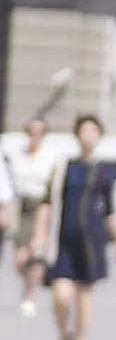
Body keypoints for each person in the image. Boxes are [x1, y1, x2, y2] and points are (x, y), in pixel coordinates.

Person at [30, 114, 116, 340]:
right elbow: (47, 203)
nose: (88, 137)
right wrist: (40, 234)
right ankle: (65, 336)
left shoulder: (104, 171)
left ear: (99, 137)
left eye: (93, 132)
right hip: (63, 240)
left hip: (91, 242)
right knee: (61, 296)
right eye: (84, 131)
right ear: (77, 135)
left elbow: (110, 210)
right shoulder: (65, 168)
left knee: (84, 295)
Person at [4, 117, 57, 316]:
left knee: (34, 253)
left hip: (41, 205)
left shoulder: (50, 157)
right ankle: (29, 282)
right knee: (20, 257)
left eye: (39, 133)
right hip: (21, 205)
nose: (35, 137)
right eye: (31, 133)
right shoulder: (17, 156)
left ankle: (29, 295)